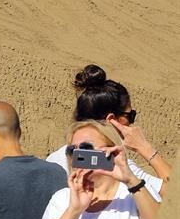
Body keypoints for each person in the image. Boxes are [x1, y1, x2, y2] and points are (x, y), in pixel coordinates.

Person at [47, 64, 169, 197]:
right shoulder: (116, 165)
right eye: (130, 115)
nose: (132, 122)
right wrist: (145, 148)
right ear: (111, 119)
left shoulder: (54, 159)